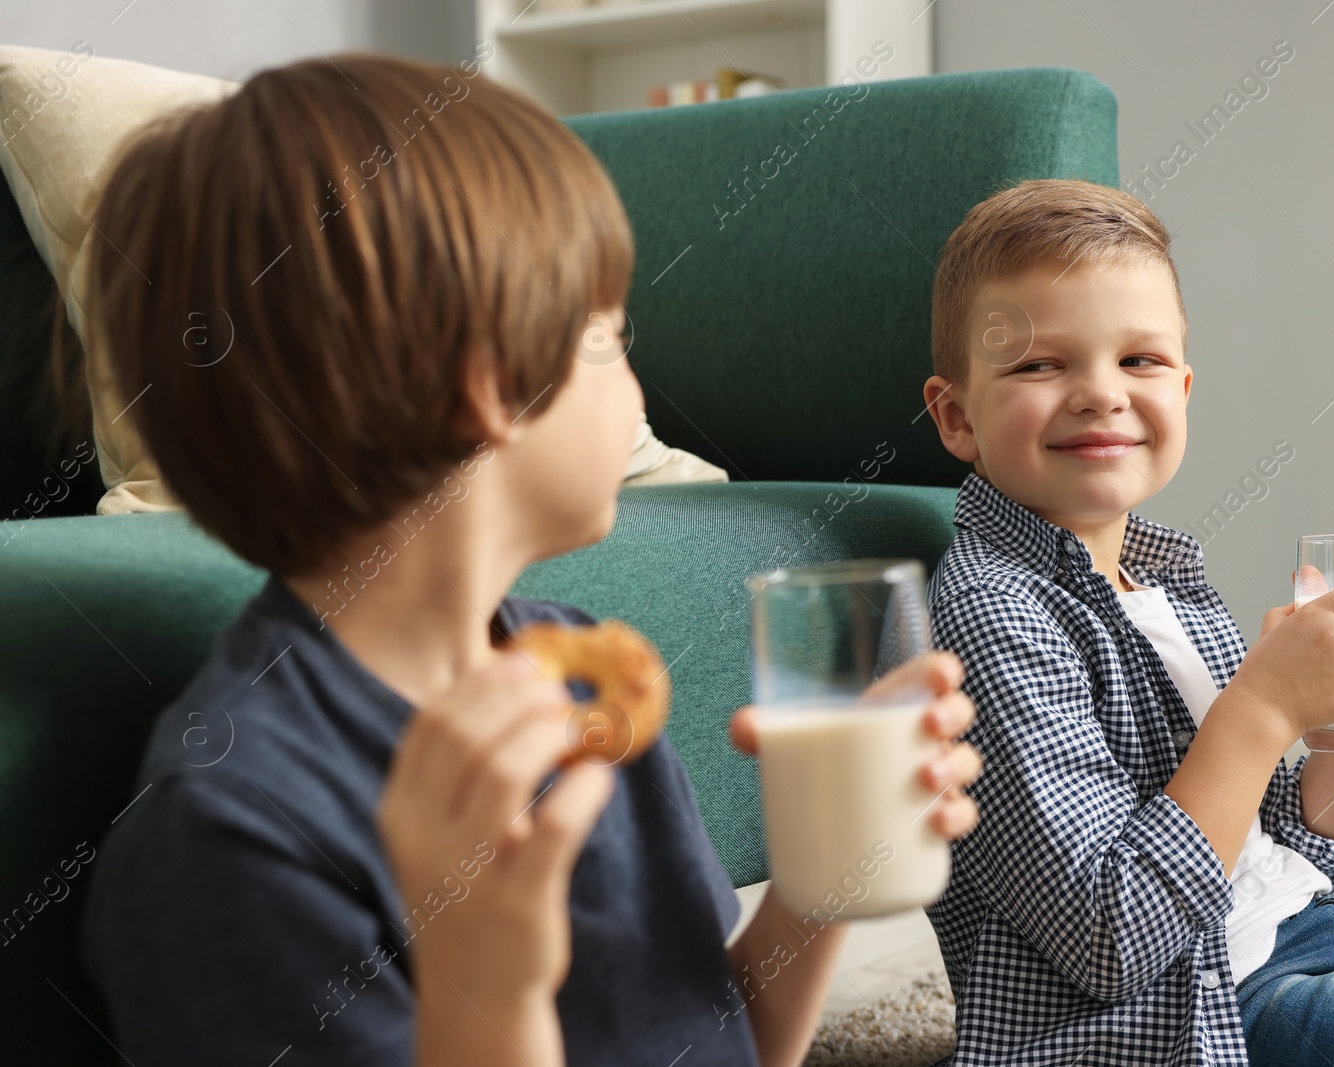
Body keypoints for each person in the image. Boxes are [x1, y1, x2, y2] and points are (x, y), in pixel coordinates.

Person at [74, 53, 983, 1067]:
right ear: (495, 385)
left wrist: (819, 884)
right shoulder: (230, 835)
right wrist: (486, 985)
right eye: (613, 335)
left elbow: (720, 1042)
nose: (642, 384)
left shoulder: (581, 668)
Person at [917, 177, 1334, 1066]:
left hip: (1327, 943)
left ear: (1186, 388)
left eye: (1140, 360)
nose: (1100, 393)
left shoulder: (1166, 583)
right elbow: (1112, 934)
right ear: (956, 415)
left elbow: (1287, 847)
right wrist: (1267, 702)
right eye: (1040, 364)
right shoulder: (991, 613)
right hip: (1197, 1016)